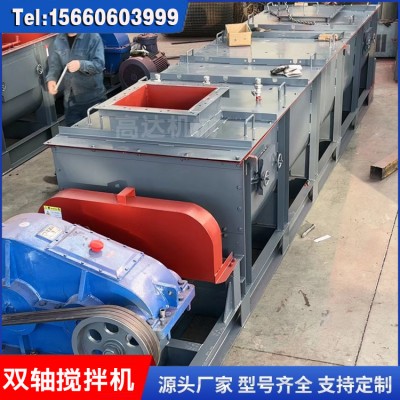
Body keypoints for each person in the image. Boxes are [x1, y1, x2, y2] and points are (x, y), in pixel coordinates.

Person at [46, 33, 107, 126]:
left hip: (93, 100)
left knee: (96, 132)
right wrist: (51, 79)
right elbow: (54, 65)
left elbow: (99, 65)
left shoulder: (93, 37)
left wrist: (80, 65)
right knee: (74, 134)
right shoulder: (59, 40)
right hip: (70, 103)